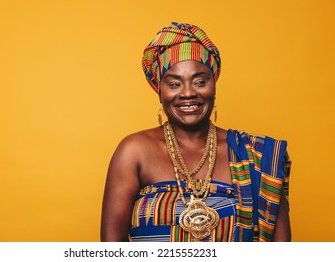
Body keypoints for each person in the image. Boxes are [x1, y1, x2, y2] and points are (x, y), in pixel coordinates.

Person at [101, 22, 291, 242]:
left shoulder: (256, 156)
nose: (188, 93)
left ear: (214, 85)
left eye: (200, 81)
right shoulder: (134, 152)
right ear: (159, 91)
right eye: (174, 84)